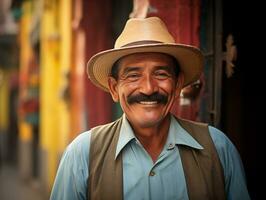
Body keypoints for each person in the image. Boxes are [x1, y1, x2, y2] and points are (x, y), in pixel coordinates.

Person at [50, 17, 250, 200]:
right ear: (114, 88)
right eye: (133, 75)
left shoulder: (218, 149)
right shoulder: (82, 155)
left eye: (161, 74)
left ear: (178, 84)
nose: (148, 88)